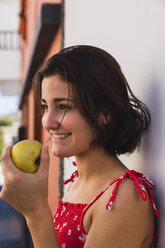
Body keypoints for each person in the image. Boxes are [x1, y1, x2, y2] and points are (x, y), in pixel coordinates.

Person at [0, 45, 159, 248]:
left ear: (105, 114)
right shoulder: (77, 182)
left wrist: (35, 213)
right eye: (46, 106)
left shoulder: (123, 198)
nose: (48, 122)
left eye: (64, 106)